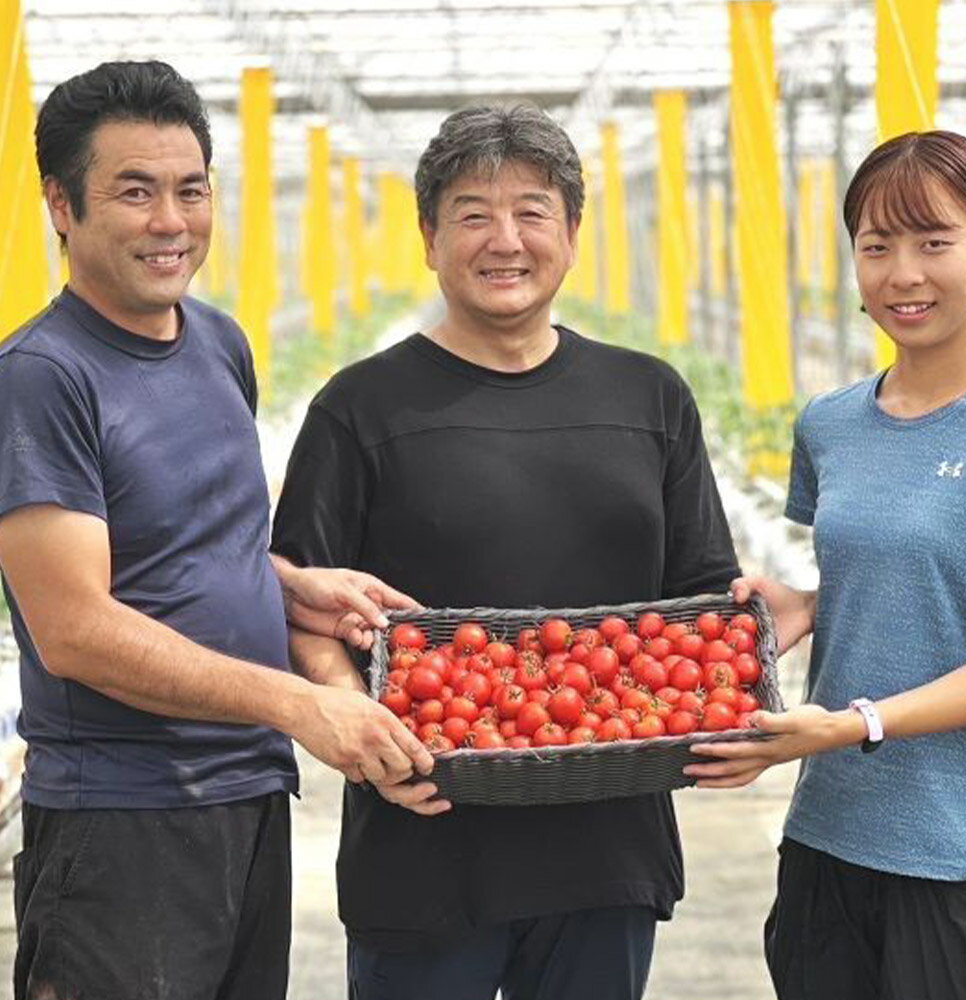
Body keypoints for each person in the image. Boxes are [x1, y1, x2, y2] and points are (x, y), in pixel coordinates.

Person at [271, 103, 741, 1000]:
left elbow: (704, 603)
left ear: (571, 231)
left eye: (532, 211)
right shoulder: (360, 408)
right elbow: (299, 601)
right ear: (428, 238)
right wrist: (345, 710)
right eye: (473, 214)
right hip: (424, 836)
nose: (506, 240)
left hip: (607, 845)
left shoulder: (650, 398)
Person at [0, 60, 431, 1000]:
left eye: (191, 190)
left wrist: (284, 584)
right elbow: (73, 630)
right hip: (124, 823)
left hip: (245, 800)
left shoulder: (217, 341)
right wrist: (299, 703)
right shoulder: (41, 378)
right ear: (61, 205)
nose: (170, 222)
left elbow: (174, 547)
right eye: (134, 192)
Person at [686, 130, 966, 1000]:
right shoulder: (831, 424)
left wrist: (853, 722)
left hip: (962, 852)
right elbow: (922, 573)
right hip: (828, 836)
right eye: (877, 245)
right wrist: (811, 605)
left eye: (934, 242)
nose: (904, 274)